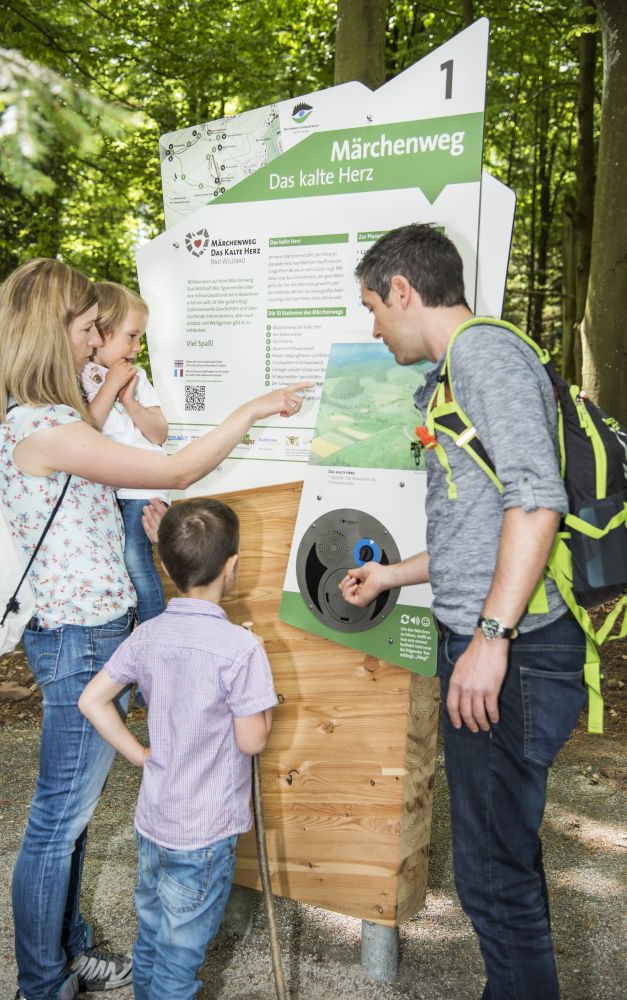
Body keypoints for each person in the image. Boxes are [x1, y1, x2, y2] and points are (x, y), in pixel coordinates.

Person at [0, 257, 309, 1000]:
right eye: (88, 328)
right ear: (47, 331)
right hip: (79, 639)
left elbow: (79, 447)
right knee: (57, 823)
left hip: (79, 632)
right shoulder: (43, 426)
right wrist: (250, 411)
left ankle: (67, 950)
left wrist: (111, 399)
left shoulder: (27, 418)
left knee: (74, 819)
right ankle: (43, 981)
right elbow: (177, 470)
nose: (96, 342)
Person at [339, 224, 587, 1000]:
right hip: (492, 646)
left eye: (373, 307)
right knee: (501, 856)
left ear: (403, 291)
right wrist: (391, 579)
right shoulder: (461, 367)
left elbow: (536, 502)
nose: (373, 327)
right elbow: (481, 530)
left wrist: (488, 639)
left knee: (488, 872)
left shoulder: (484, 355)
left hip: (510, 657)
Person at [79, 498, 276, 1000]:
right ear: (233, 567)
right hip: (205, 834)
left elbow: (92, 700)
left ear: (164, 566)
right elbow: (252, 739)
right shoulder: (242, 649)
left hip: (154, 822)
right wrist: (264, 703)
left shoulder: (147, 636)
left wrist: (140, 756)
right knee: (179, 963)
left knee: (151, 939)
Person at [81, 281, 168, 626]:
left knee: (135, 558)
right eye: (131, 336)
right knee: (114, 562)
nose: (137, 347)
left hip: (141, 487)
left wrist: (130, 401)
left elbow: (159, 433)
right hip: (108, 488)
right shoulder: (79, 376)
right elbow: (87, 428)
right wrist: (109, 386)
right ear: (100, 333)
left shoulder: (138, 377)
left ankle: (152, 631)